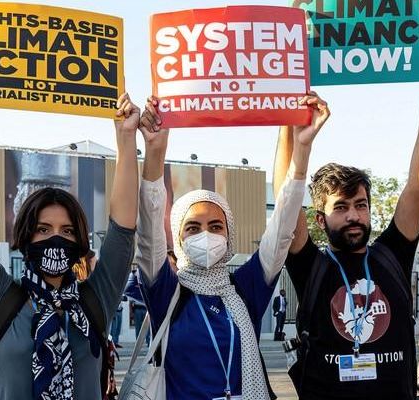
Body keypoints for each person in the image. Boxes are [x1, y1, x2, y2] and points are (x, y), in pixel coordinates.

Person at [0, 75, 139, 400]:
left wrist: (126, 140)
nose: (55, 239)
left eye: (67, 231)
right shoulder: (1, 297)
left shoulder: (94, 300)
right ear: (25, 236)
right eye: (43, 230)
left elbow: (123, 231)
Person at [271, 56, 419, 400]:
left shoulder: (391, 255)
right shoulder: (311, 266)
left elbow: (418, 185)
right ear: (320, 220)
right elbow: (286, 199)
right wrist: (290, 122)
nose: (353, 215)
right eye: (340, 207)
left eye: (360, 205)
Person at [131, 90, 321, 399]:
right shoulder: (166, 291)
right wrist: (154, 152)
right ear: (178, 239)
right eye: (192, 228)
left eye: (215, 226)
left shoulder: (246, 287)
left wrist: (301, 152)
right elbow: (149, 231)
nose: (205, 234)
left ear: (229, 235)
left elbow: (284, 226)